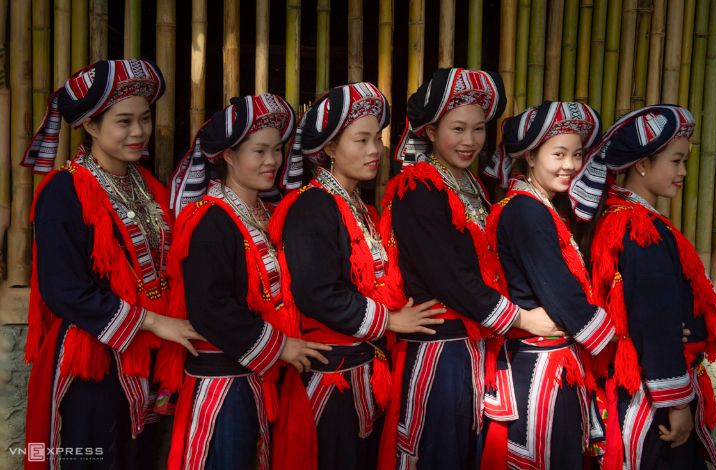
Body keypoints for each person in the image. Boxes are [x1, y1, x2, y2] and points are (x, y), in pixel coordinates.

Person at [21, 59, 202, 469]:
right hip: (93, 362)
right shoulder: (64, 191)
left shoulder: (148, 187)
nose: (138, 132)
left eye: (145, 118)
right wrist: (155, 322)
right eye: (123, 121)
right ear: (90, 125)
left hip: (148, 359)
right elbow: (63, 289)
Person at [378, 68, 561, 470]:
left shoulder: (471, 186)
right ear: (428, 130)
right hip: (440, 353)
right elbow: (450, 278)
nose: (469, 141)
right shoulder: (418, 190)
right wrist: (523, 319)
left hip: (474, 345)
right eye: (457, 128)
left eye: (478, 129)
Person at [268, 82, 445, 470]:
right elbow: (317, 293)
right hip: (331, 380)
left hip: (364, 375)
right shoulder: (311, 205)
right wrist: (391, 319)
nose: (374, 151)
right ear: (329, 148)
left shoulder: (359, 208)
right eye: (360, 140)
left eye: (377, 139)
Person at [157, 94, 332, 470]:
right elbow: (209, 308)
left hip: (260, 376)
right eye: (259, 151)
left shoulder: (269, 213)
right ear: (228, 156)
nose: (272, 161)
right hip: (225, 385)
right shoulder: (208, 220)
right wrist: (280, 345)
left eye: (277, 150)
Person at [570, 105, 716, 470]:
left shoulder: (617, 218)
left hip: (635, 385)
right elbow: (653, 321)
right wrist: (677, 404)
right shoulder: (641, 230)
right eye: (676, 161)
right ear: (642, 164)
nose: (684, 172)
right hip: (652, 400)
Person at [481, 101, 613, 470]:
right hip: (541, 369)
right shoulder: (527, 212)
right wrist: (623, 337)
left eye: (577, 154)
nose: (570, 165)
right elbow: (562, 297)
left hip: (546, 361)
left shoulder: (539, 208)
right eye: (559, 154)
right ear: (530, 156)